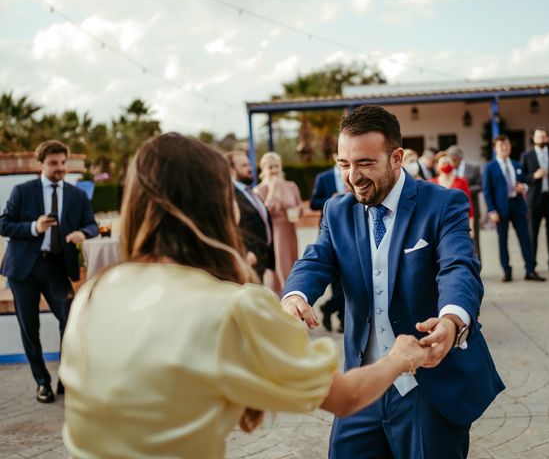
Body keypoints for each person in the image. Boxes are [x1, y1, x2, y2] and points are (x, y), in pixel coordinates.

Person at [58, 132, 432, 458]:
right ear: (218, 205)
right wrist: (399, 358)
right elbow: (346, 397)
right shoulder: (230, 308)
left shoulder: (94, 292)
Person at [281, 106, 504, 458]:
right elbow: (316, 259)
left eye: (365, 163)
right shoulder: (336, 210)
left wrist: (452, 320)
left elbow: (459, 267)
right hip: (362, 387)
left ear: (396, 157)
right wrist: (294, 295)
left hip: (427, 387)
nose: (353, 177)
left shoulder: (444, 203)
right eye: (344, 164)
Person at [0, 140, 98, 403]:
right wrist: (34, 227)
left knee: (70, 321)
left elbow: (93, 224)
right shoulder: (23, 191)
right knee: (29, 328)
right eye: (54, 163)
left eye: (63, 163)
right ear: (41, 164)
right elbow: (4, 224)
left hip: (56, 267)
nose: (60, 168)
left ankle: (65, 377)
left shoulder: (77, 195)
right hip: (23, 269)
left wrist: (82, 232)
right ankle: (42, 382)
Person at [483, 135, 545, 282]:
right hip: (500, 208)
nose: (505, 148)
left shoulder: (517, 164)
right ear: (495, 148)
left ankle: (530, 270)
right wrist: (492, 210)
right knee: (502, 241)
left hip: (517, 206)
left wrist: (524, 187)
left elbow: (525, 182)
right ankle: (507, 271)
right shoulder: (490, 167)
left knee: (525, 239)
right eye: (501, 146)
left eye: (507, 145)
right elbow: (487, 191)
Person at [254, 152, 303, 295]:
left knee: (292, 263)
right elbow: (264, 214)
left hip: (290, 230)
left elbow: (300, 207)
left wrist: (296, 211)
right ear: (263, 170)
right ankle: (281, 295)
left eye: (276, 166)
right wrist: (273, 189)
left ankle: (294, 293)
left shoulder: (291, 186)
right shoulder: (259, 190)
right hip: (274, 233)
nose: (274, 170)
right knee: (279, 267)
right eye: (270, 167)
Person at [520, 128, 549, 272]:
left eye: (544, 136)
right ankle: (532, 264)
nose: (542, 139)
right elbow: (522, 178)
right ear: (533, 138)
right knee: (532, 233)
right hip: (534, 200)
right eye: (539, 136)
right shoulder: (527, 155)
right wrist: (534, 176)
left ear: (548, 138)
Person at [225, 150, 275, 283]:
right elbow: (229, 226)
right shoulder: (229, 195)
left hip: (261, 259)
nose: (249, 168)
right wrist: (244, 252)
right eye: (244, 165)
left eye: (249, 164)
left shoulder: (250, 192)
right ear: (231, 170)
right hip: (248, 261)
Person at [310, 156, 346, 332]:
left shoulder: (355, 174)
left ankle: (336, 314)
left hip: (352, 229)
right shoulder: (323, 178)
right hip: (330, 231)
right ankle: (335, 311)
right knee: (336, 278)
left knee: (349, 278)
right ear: (333, 156)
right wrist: (330, 199)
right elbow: (313, 203)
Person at [447, 145, 482, 260]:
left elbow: (480, 185)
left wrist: (464, 188)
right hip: (453, 211)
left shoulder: (473, 167)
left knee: (474, 239)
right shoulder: (448, 169)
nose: (452, 162)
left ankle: (477, 264)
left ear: (459, 158)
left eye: (454, 159)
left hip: (471, 209)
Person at [431, 152, 475, 237]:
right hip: (439, 226)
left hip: (458, 223)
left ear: (453, 164)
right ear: (437, 166)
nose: (446, 165)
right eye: (443, 163)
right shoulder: (432, 183)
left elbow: (469, 205)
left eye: (448, 162)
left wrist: (471, 226)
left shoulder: (462, 182)